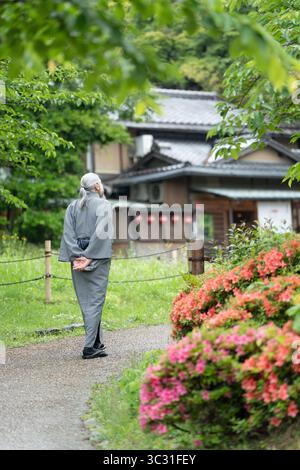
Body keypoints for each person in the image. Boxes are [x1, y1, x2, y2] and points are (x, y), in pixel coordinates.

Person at [59, 172, 113, 359]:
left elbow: (68, 235)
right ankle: (89, 347)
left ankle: (96, 343)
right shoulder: (104, 205)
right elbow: (101, 234)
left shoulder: (72, 207)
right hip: (96, 256)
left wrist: (77, 256)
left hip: (78, 258)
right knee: (96, 301)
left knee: (87, 302)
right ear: (97, 186)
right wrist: (89, 257)